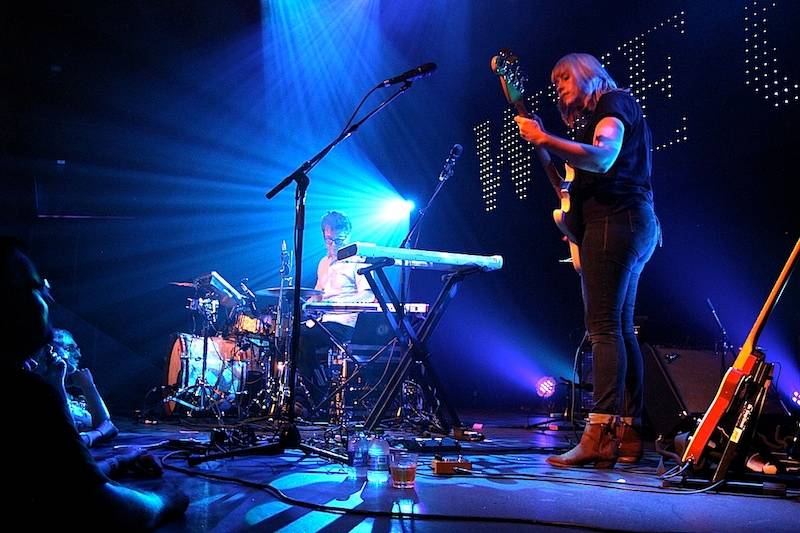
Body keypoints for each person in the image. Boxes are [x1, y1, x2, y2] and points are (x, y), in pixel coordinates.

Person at [515, 53, 660, 467]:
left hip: (616, 223)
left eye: (564, 76)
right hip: (631, 223)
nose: (558, 85)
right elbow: (580, 180)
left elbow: (602, 156)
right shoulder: (611, 111)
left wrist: (543, 139)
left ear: (588, 73)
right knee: (620, 328)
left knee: (603, 329)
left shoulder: (613, 104)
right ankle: (629, 434)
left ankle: (599, 432)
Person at [1, 237, 188, 528]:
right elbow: (98, 506)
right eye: (37, 288)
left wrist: (118, 462)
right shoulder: (27, 395)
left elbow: (60, 481)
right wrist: (165, 498)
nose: (49, 299)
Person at [297, 211, 374, 412]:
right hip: (323, 320)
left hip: (344, 323)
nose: (333, 245)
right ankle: (302, 394)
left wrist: (335, 303)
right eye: (328, 240)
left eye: (338, 240)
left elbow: (368, 296)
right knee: (288, 336)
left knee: (302, 338)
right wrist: (308, 302)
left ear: (347, 236)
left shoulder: (358, 259)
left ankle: (317, 394)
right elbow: (318, 293)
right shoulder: (323, 263)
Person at [31, 328, 120, 447]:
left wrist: (88, 386)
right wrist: (89, 387)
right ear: (48, 352)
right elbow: (71, 438)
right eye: (69, 348)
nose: (78, 354)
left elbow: (105, 424)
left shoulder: (68, 395)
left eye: (76, 349)